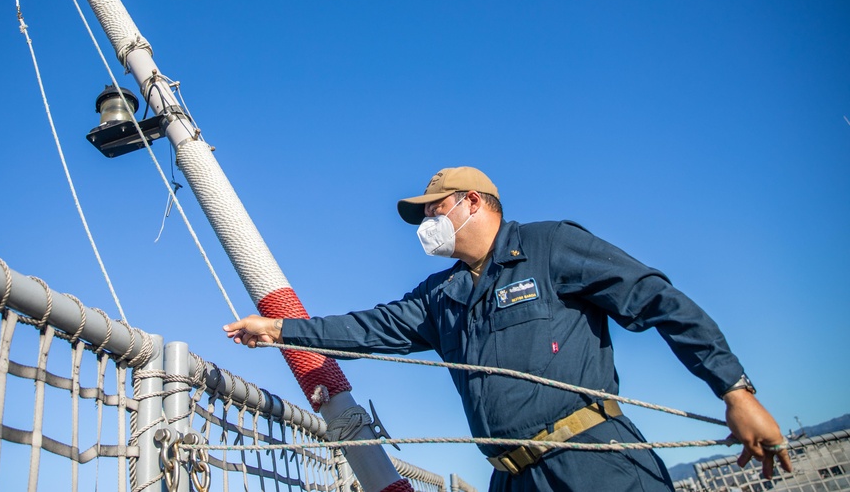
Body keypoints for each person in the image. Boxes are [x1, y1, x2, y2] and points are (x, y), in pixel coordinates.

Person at [224, 167, 792, 491]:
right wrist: (278, 330)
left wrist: (735, 391)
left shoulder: (549, 246)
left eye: (433, 210)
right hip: (510, 478)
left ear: (473, 201)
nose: (427, 224)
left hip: (594, 462)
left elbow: (658, 298)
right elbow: (369, 328)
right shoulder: (439, 296)